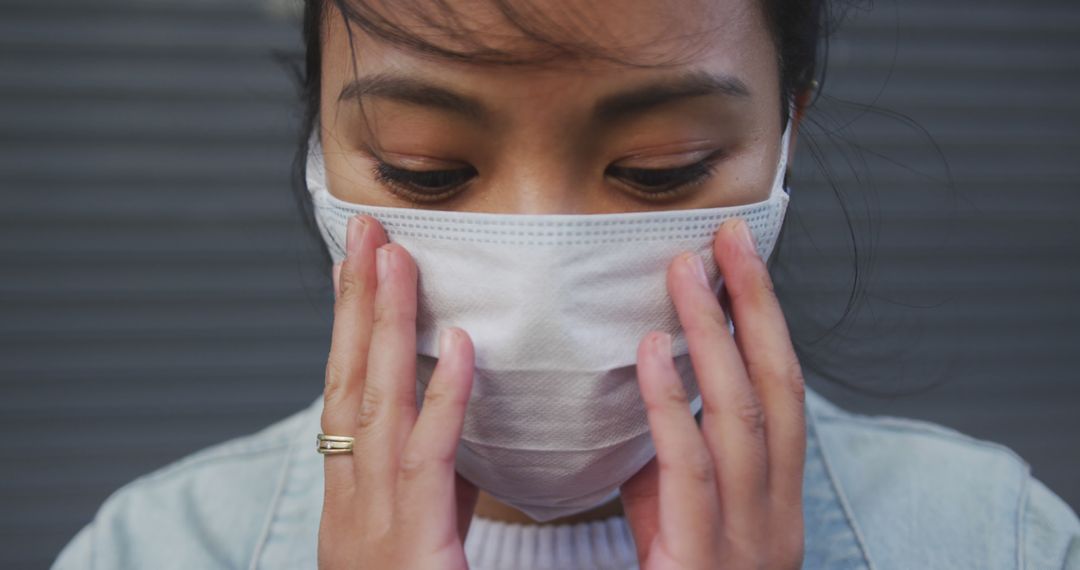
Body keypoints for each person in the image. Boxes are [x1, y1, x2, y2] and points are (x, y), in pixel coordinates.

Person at [53, 0, 1079, 568]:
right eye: (424, 171)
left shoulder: (994, 540)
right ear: (323, 147)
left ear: (785, 138)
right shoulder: (155, 549)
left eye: (661, 169)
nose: (539, 276)